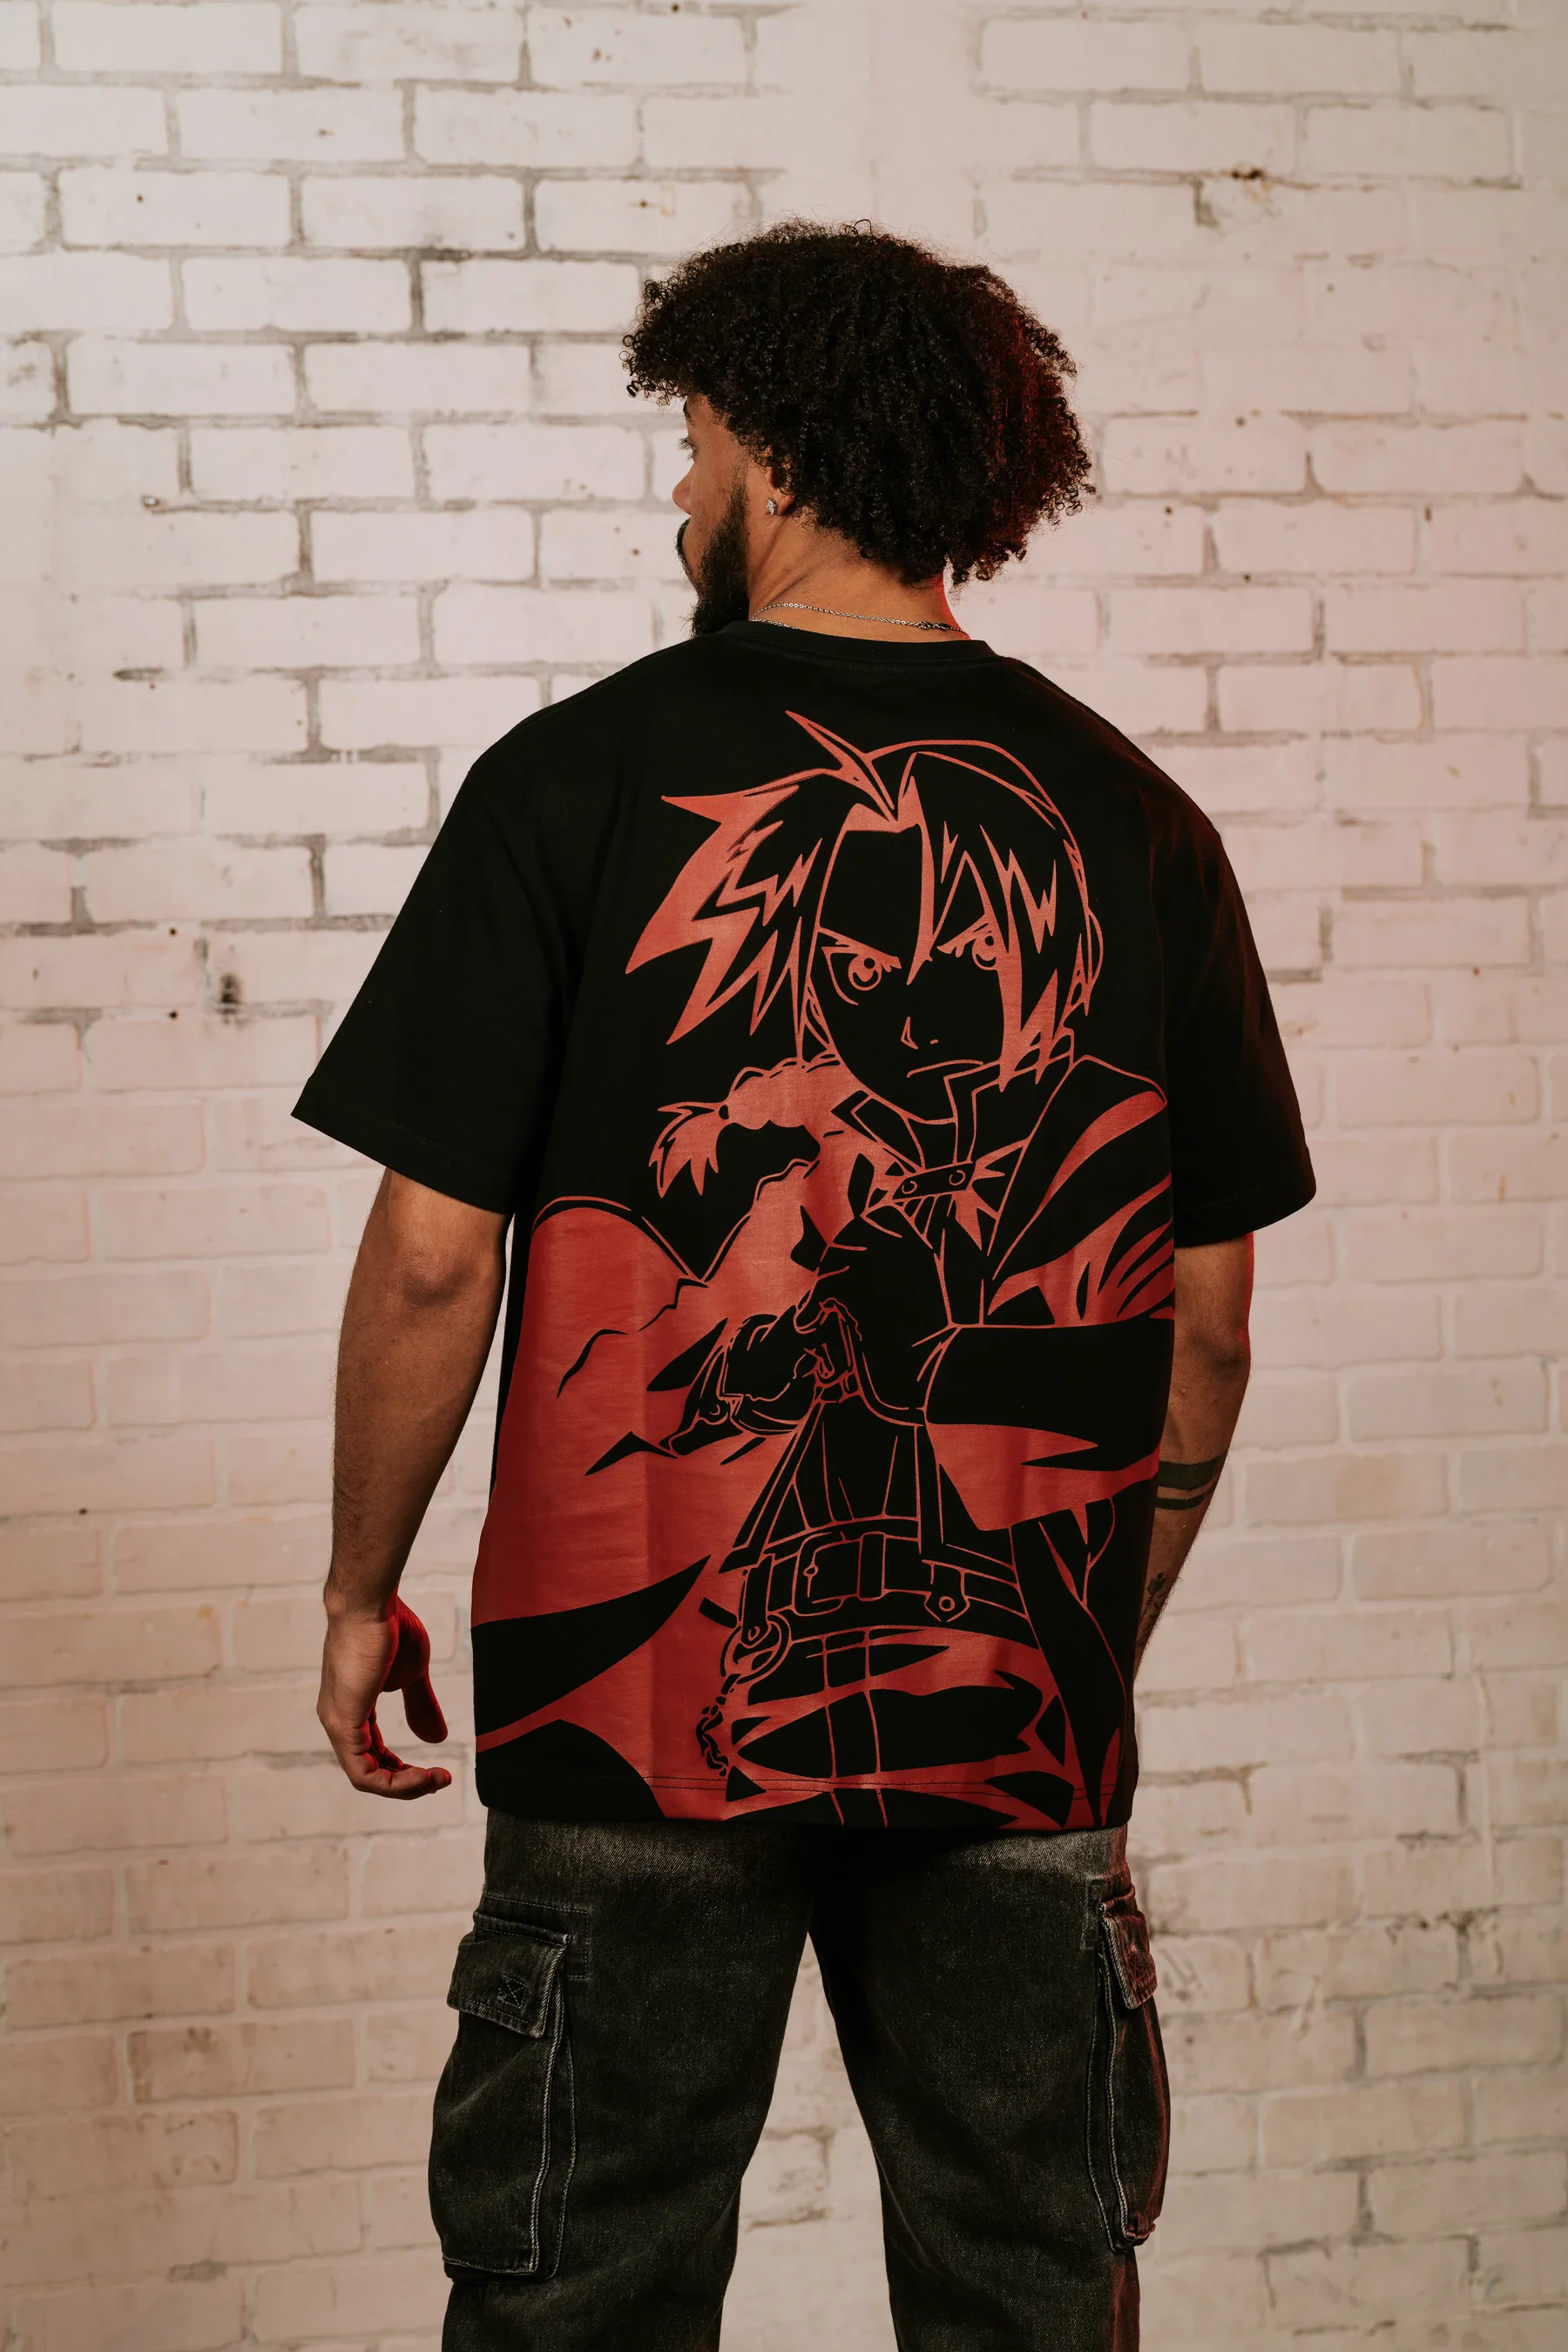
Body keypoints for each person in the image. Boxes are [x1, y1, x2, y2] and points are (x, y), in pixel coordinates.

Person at [295, 222, 1315, 2352]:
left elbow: (431, 1257)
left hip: (627, 1742)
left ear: (768, 450)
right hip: (1019, 1730)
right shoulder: (1144, 820)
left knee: (578, 2296)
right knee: (1032, 2298)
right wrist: (1085, 1640)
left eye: (689, 444)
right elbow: (1205, 1337)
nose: (680, 492)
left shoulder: (569, 781)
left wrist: (357, 1582)